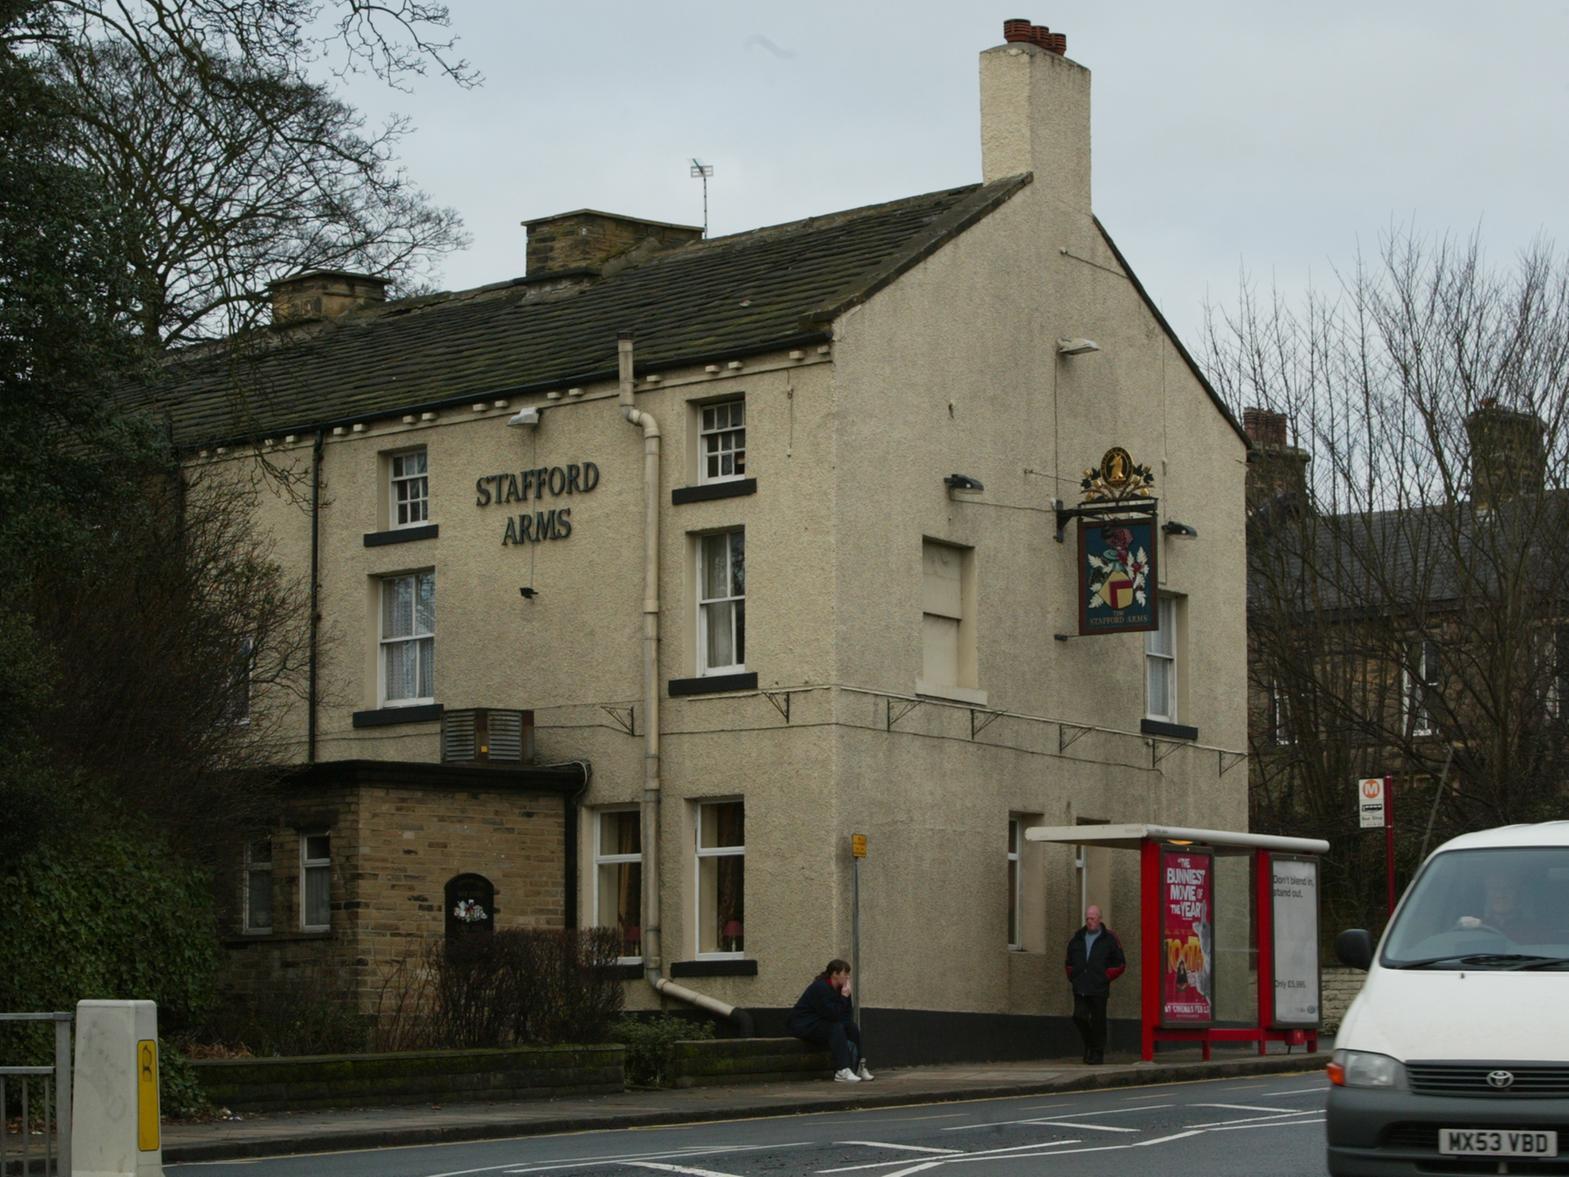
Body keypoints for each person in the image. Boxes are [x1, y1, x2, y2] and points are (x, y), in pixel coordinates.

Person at [788, 958, 873, 1082]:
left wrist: (845, 997)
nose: (848, 977)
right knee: (835, 1028)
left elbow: (845, 1014)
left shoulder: (841, 989)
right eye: (845, 974)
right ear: (835, 974)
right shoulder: (820, 987)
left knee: (852, 1027)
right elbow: (831, 1014)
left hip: (821, 1021)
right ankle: (842, 1070)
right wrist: (844, 997)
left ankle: (859, 1067)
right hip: (804, 1024)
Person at [1064, 904, 1126, 1064]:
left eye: (1092, 918)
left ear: (1099, 919)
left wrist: (1105, 977)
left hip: (1098, 987)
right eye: (1087, 918)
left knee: (1098, 1020)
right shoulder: (1077, 938)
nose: (1089, 921)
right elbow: (1069, 961)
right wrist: (1073, 976)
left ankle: (1097, 1052)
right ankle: (1090, 1045)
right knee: (1079, 1016)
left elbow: (1120, 963)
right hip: (1081, 986)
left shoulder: (1110, 938)